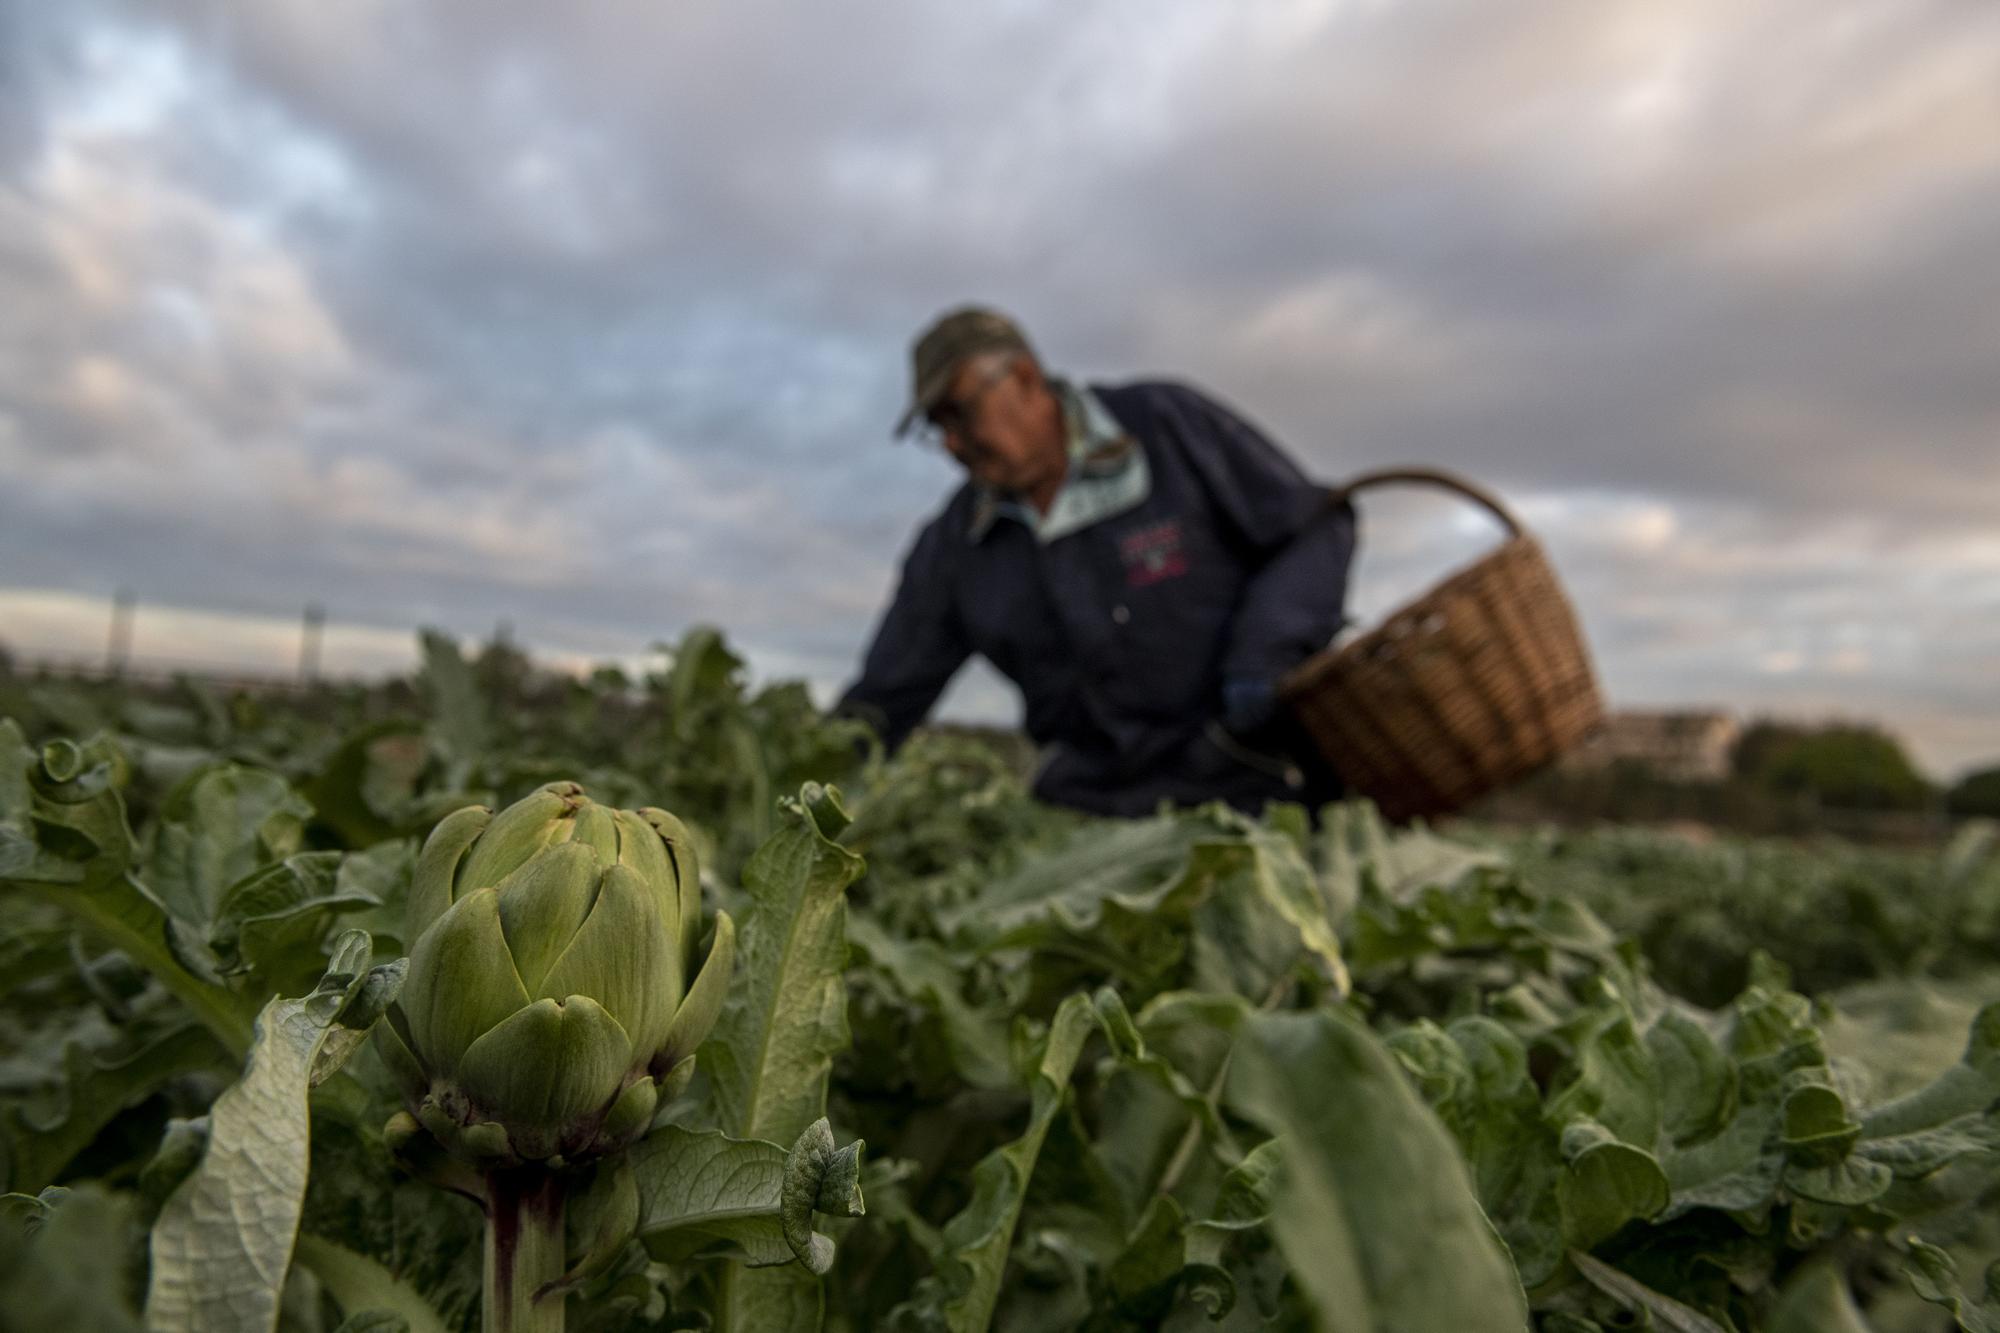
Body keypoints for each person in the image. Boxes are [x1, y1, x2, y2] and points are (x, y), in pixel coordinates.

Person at [836, 305, 1356, 819]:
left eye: (959, 412)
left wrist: (1265, 658)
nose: (952, 443)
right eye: (937, 427)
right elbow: (885, 695)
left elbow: (1314, 527)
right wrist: (803, 782)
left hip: (1257, 776)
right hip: (1100, 811)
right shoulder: (955, 547)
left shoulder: (1165, 427)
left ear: (1023, 377)